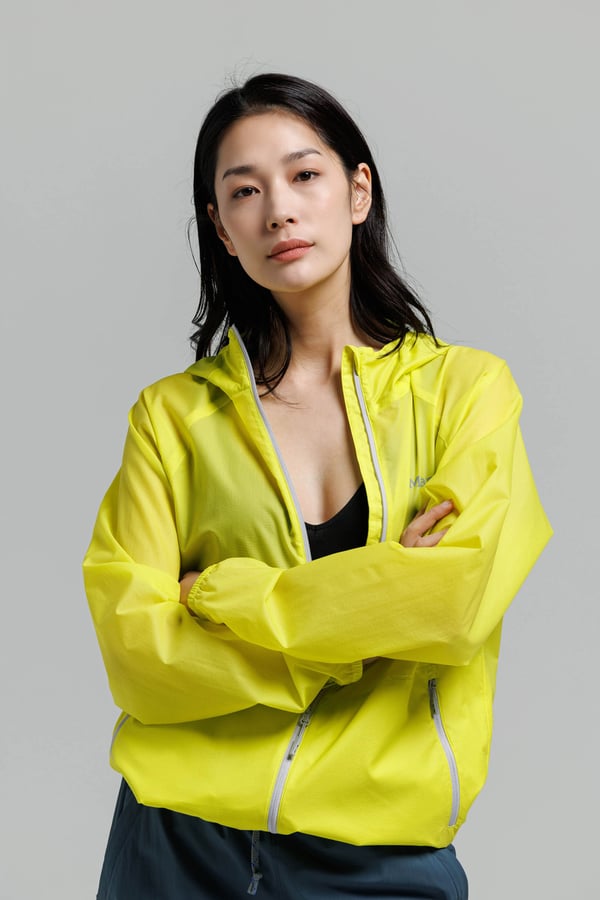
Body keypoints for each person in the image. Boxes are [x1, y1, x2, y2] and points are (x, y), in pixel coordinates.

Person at [83, 72, 552, 899]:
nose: (279, 211)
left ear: (358, 191)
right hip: (174, 840)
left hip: (378, 853)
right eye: (244, 191)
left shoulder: (467, 392)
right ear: (221, 228)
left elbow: (449, 603)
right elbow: (138, 656)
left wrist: (223, 596)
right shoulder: (172, 418)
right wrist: (366, 621)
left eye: (304, 175)